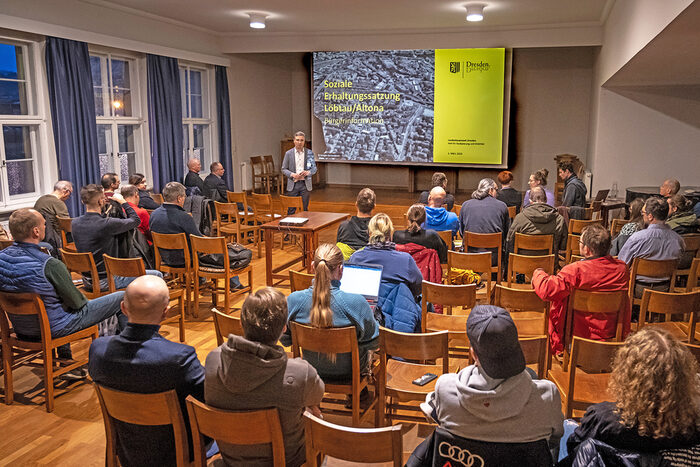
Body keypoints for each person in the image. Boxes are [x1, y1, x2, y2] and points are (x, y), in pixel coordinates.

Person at [88, 275, 205, 467]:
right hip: (175, 452)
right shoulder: (179, 358)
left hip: (126, 450)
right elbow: (206, 398)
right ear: (166, 312)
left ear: (123, 309)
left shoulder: (98, 350)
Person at [206, 287, 325, 466]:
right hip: (288, 459)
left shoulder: (213, 360)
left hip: (232, 457)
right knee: (315, 415)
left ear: (241, 323)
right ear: (284, 328)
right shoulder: (300, 373)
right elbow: (318, 396)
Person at [421, 305, 564, 449]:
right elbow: (554, 439)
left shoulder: (445, 389)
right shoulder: (548, 396)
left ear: (473, 354)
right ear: (517, 346)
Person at [0, 209, 125, 364]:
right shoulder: (49, 264)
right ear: (36, 231)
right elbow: (77, 303)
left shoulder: (2, 258)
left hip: (21, 329)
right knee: (122, 297)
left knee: (55, 301)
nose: (46, 227)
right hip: (53, 328)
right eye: (44, 225)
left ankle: (66, 358)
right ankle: (128, 353)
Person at [564, 328, 700, 462]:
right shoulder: (692, 427)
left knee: (566, 426)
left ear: (628, 374)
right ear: (682, 377)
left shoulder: (601, 419)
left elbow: (575, 450)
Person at [283, 243, 378, 380]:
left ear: (312, 267)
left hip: (310, 370)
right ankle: (359, 396)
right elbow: (373, 342)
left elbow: (286, 339)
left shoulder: (294, 300)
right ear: (341, 270)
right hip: (350, 373)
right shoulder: (357, 302)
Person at [533, 224, 630, 355]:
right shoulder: (622, 269)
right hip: (609, 332)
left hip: (578, 334)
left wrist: (538, 273)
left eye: (580, 242)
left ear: (588, 250)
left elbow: (547, 290)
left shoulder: (576, 270)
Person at [150, 182, 242, 290]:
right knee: (223, 252)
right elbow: (200, 242)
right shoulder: (184, 217)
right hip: (185, 260)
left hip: (164, 258)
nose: (184, 199)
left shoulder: (154, 214)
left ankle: (202, 281)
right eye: (184, 197)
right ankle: (235, 284)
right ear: (179, 198)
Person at [72, 184, 161, 291]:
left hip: (87, 280)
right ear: (101, 201)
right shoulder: (107, 224)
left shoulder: (74, 223)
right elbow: (136, 221)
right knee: (157, 275)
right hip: (107, 281)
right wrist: (123, 202)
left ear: (83, 201)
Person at [350, 214, 423, 332]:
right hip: (397, 325)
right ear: (391, 234)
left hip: (363, 325)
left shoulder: (356, 258)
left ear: (369, 233)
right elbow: (419, 288)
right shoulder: (405, 260)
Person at [618, 197, 685, 297]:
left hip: (638, 290)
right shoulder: (678, 240)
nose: (642, 215)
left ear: (650, 216)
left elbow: (622, 265)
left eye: (643, 212)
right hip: (665, 289)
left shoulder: (637, 238)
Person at [459, 178, 510, 265]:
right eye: (496, 190)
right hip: (494, 258)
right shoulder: (502, 206)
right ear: (490, 190)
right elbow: (505, 234)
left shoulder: (465, 205)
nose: (497, 194)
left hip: (470, 255)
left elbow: (461, 232)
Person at [506, 186, 567, 255]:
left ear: (530, 201)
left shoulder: (520, 218)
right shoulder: (559, 219)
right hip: (548, 263)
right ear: (546, 199)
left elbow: (510, 241)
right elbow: (563, 246)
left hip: (523, 263)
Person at [282, 131, 317, 212]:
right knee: (291, 209)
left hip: (305, 184)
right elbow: (283, 169)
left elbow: (314, 168)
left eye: (302, 140)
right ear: (294, 141)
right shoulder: (288, 153)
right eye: (297, 140)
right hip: (293, 183)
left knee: (304, 209)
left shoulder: (309, 153)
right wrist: (292, 174)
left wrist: (308, 172)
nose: (299, 142)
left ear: (304, 141)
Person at [336, 187, 375, 255]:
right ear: (374, 206)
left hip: (347, 264)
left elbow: (338, 251)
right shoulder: (377, 228)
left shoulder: (344, 226)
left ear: (356, 204)